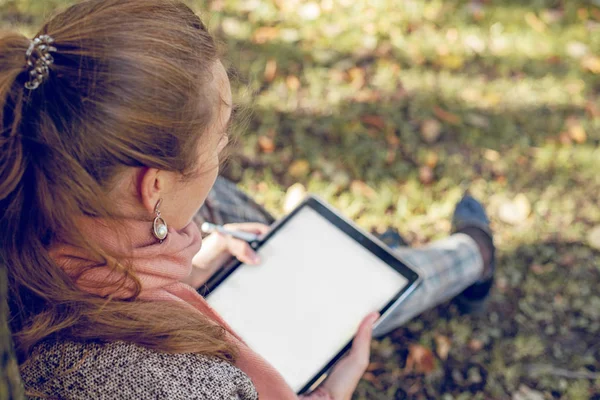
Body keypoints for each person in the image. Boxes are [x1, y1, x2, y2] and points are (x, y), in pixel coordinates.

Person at [0, 1, 495, 399]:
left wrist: (185, 275)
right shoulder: (198, 384)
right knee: (356, 293)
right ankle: (473, 254)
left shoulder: (23, 192)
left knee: (272, 242)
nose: (222, 159)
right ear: (152, 187)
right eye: (218, 144)